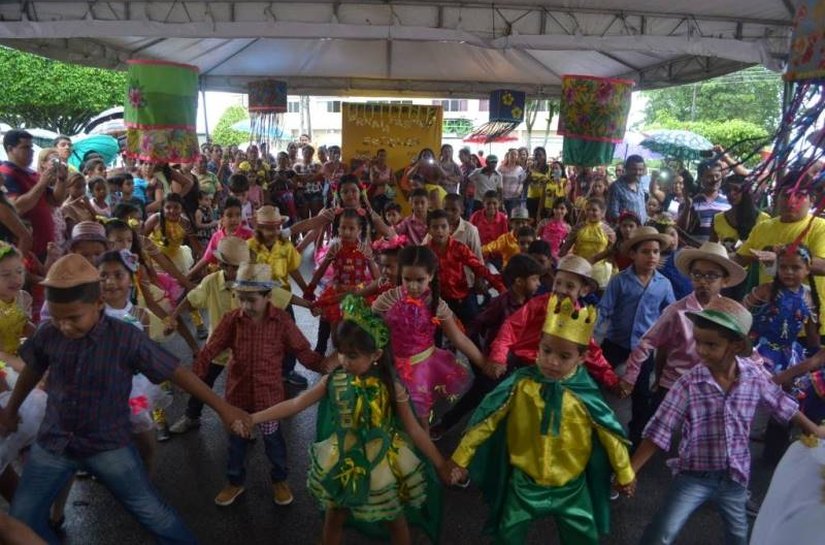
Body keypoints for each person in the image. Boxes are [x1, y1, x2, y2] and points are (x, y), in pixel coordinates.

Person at [1, 254, 251, 543]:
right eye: (57, 318)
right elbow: (33, 369)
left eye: (73, 318)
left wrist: (223, 408)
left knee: (154, 514)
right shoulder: (48, 333)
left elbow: (177, 371)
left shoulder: (126, 338)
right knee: (22, 519)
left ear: (98, 305)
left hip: (108, 444)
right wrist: (12, 409)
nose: (65, 327)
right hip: (54, 441)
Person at [236, 295, 449, 544]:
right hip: (344, 459)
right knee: (335, 513)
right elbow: (296, 403)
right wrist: (254, 417)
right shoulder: (333, 380)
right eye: (340, 353)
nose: (344, 361)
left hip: (383, 461)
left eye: (353, 355)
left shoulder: (392, 387)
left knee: (394, 517)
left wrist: (441, 463)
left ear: (376, 354)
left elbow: (414, 430)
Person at [444, 293, 636, 545]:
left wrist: (625, 473)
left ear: (582, 358)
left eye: (564, 356)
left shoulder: (586, 394)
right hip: (524, 484)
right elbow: (487, 419)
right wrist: (460, 458)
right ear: (539, 347)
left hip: (571, 487)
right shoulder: (521, 384)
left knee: (583, 538)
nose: (552, 361)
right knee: (507, 536)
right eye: (546, 350)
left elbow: (610, 433)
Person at [631, 298, 825, 545]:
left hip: (735, 478)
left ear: (735, 345)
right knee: (662, 532)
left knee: (739, 536)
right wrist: (630, 470)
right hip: (694, 476)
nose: (701, 351)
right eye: (698, 342)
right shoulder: (689, 382)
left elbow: (781, 405)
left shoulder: (753, 376)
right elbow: (660, 428)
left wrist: (814, 430)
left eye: (711, 344)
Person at [192, 262, 330, 507]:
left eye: (251, 299)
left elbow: (302, 350)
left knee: (273, 442)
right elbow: (211, 348)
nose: (244, 305)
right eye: (240, 298)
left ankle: (279, 479)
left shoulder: (282, 322)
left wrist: (324, 366)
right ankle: (235, 482)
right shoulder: (233, 319)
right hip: (238, 395)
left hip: (269, 398)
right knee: (236, 443)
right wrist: (195, 375)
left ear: (268, 296)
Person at [167, 237, 307, 435]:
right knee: (202, 383)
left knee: (244, 391)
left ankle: (245, 426)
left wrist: (311, 305)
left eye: (239, 266)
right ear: (221, 264)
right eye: (230, 266)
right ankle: (191, 416)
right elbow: (191, 300)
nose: (234, 271)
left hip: (245, 351)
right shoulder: (211, 282)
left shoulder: (253, 281)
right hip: (217, 349)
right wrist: (173, 316)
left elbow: (282, 296)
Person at [618, 242, 747, 409]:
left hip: (711, 388)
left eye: (711, 276)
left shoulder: (730, 313)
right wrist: (630, 377)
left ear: (725, 281)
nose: (703, 282)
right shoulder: (677, 311)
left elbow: (744, 351)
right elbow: (647, 342)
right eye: (697, 275)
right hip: (674, 385)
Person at [372, 246, 484, 430]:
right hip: (390, 365)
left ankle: (423, 452)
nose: (413, 286)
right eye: (407, 279)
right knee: (388, 414)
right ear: (401, 274)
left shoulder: (436, 304)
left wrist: (483, 363)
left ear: (431, 276)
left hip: (422, 370)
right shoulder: (388, 299)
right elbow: (367, 327)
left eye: (420, 280)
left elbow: (458, 339)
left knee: (420, 415)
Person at [432, 254, 544, 438]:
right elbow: (476, 325)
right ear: (519, 282)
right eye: (534, 279)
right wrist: (479, 360)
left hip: (516, 361)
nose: (539, 283)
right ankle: (444, 425)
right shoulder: (501, 303)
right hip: (495, 361)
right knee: (478, 393)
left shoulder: (530, 303)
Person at [597, 226, 675, 445]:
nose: (651, 256)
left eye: (656, 252)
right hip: (615, 343)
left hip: (644, 349)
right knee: (596, 382)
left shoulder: (664, 284)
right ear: (633, 254)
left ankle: (636, 438)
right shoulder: (620, 281)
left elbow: (671, 315)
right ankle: (592, 425)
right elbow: (603, 310)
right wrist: (589, 340)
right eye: (645, 251)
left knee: (642, 395)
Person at [744, 244, 820, 464]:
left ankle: (773, 453)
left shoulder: (808, 296)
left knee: (786, 403)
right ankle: (744, 446)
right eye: (783, 267)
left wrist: (815, 357)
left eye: (795, 267)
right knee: (756, 402)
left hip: (790, 354)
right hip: (761, 351)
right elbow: (741, 314)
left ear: (807, 269)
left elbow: (812, 332)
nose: (788, 272)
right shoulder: (766, 290)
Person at [735, 171, 825, 330]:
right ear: (777, 197)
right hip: (771, 322)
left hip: (810, 323)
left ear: (812, 200)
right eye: (786, 195)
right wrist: (711, 256)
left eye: (800, 195)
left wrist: (781, 257)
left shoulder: (820, 227)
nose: (792, 201)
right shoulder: (764, 227)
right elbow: (740, 259)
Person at [308, 208, 378, 357]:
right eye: (343, 227)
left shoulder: (365, 249)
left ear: (359, 230)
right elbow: (321, 270)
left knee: (360, 323)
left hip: (359, 292)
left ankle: (362, 350)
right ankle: (320, 347)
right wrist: (310, 287)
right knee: (326, 315)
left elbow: (376, 276)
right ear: (338, 228)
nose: (346, 232)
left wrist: (380, 289)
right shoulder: (335, 248)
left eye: (351, 228)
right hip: (337, 290)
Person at [425, 209, 505, 332]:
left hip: (461, 296)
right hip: (437, 299)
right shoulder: (425, 251)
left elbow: (478, 267)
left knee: (472, 329)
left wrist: (500, 287)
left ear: (450, 228)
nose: (439, 230)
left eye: (443, 226)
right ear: (429, 230)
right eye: (435, 227)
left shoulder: (459, 248)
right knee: (435, 332)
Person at [0, 129, 67, 259]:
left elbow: (55, 201)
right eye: (25, 147)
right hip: (27, 252)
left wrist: (62, 179)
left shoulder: (32, 174)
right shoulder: (6, 173)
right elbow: (17, 208)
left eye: (31, 147)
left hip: (45, 247)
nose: (31, 151)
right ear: (10, 149)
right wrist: (42, 184)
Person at [560, 197, 615, 289]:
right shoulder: (578, 228)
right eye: (588, 210)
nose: (590, 212)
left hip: (600, 273)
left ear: (602, 212)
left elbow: (612, 252)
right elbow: (565, 247)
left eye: (594, 210)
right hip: (579, 269)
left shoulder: (609, 231)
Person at [679, 160, 730, 244]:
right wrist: (687, 206)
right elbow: (681, 230)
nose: (714, 180)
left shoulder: (729, 202)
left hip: (720, 253)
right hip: (695, 252)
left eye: (717, 176)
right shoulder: (688, 202)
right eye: (709, 176)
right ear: (700, 178)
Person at [606, 154, 647, 224]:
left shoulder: (640, 184)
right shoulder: (616, 187)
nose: (637, 172)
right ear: (626, 169)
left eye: (640, 170)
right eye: (634, 169)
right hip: (626, 231)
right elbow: (613, 213)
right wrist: (629, 225)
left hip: (641, 229)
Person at [498, 149, 526, 215]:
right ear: (508, 156)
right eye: (512, 154)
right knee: (501, 215)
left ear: (517, 157)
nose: (513, 156)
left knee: (512, 216)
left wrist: (519, 191)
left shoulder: (520, 168)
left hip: (514, 197)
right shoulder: (501, 168)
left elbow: (521, 182)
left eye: (516, 154)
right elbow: (497, 181)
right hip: (501, 197)